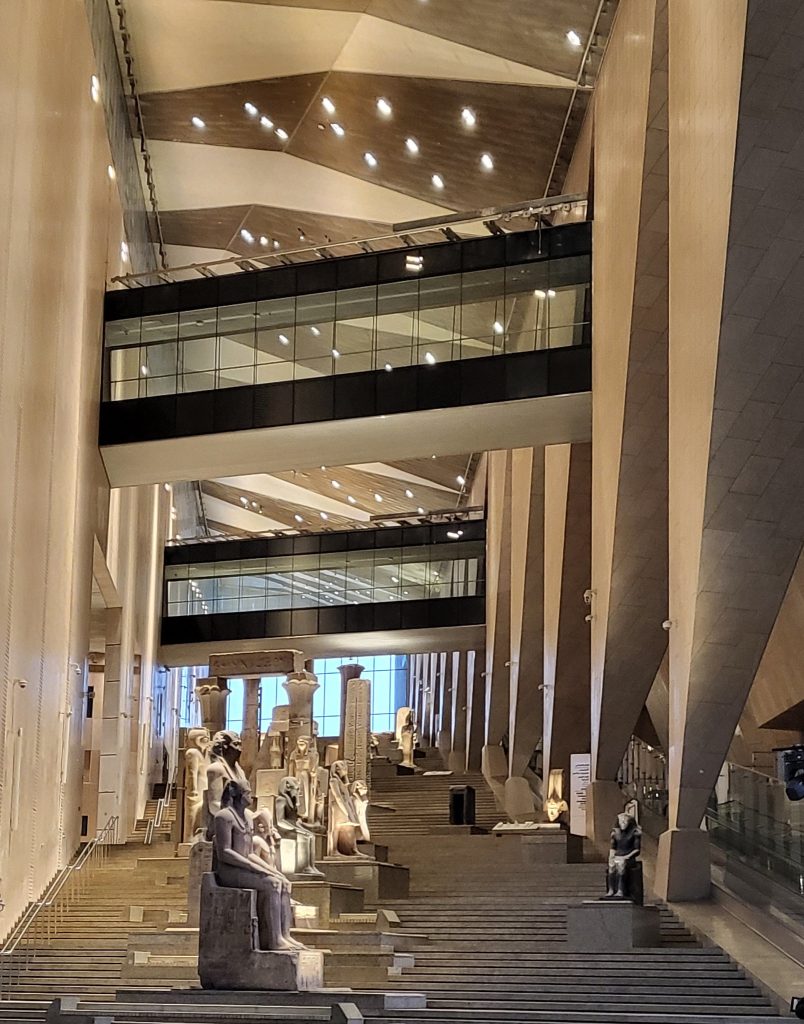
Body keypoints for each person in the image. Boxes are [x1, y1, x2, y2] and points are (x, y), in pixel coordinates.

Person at [212, 780, 304, 951]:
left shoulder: (247, 816)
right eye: (247, 793)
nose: (251, 796)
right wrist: (255, 868)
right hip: (230, 871)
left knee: (283, 882)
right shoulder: (224, 816)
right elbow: (225, 853)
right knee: (272, 884)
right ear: (237, 795)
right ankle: (274, 939)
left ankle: (285, 935)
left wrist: (273, 871)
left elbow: (250, 852)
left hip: (244, 865)